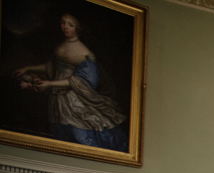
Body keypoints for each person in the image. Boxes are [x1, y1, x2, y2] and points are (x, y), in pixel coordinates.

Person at [13, 13, 128, 151]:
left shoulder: (83, 53)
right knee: (60, 140)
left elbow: (82, 80)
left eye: (70, 25)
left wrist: (50, 84)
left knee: (81, 137)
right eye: (63, 23)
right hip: (58, 100)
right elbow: (51, 67)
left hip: (75, 101)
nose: (65, 27)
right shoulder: (61, 46)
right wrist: (28, 68)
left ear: (77, 28)